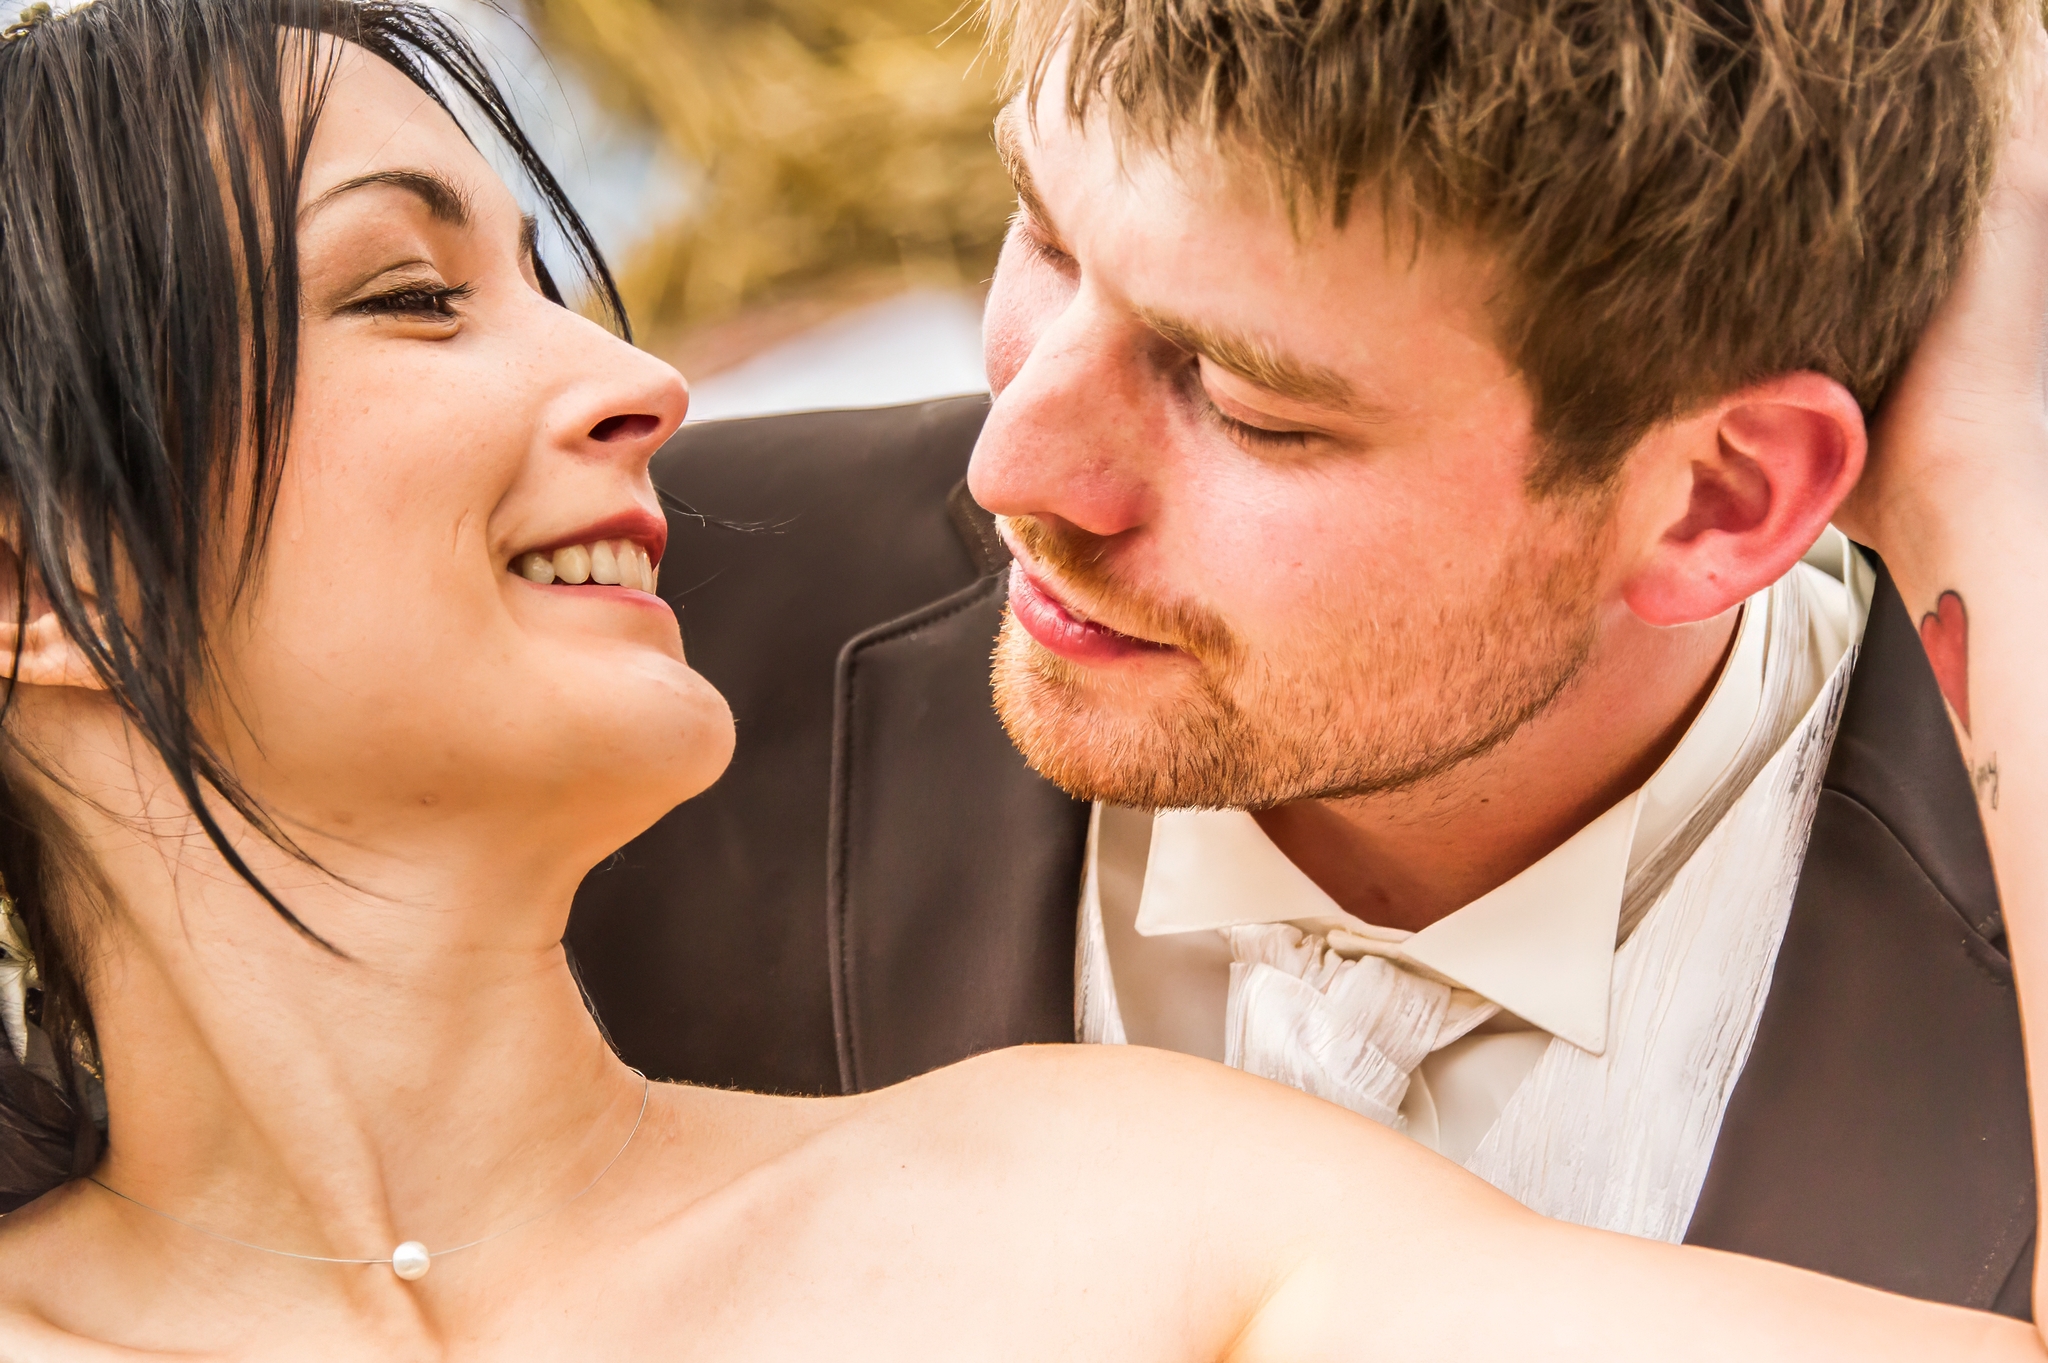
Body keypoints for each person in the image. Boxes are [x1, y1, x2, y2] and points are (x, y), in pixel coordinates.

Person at [2, 0, 2048, 1354]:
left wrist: (2009, 493)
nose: (640, 383)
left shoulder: (1124, 1204)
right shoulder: (667, 605)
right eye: (1040, 243)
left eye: (1248, 402)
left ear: (1726, 495)